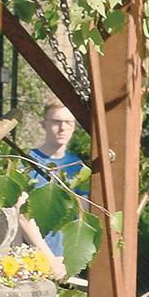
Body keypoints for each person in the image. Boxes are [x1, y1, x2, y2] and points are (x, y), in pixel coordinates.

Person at [19, 101, 87, 275]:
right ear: (44, 124)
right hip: (29, 258)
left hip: (64, 262)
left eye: (68, 122)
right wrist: (48, 258)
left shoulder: (78, 167)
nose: (62, 128)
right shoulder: (26, 162)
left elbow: (82, 215)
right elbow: (21, 213)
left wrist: (69, 258)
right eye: (56, 121)